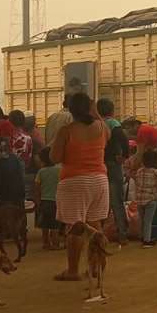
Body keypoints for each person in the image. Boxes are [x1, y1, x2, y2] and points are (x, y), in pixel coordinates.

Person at [50, 92, 110, 281]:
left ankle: (73, 270)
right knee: (95, 225)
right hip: (99, 180)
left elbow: (54, 158)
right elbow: (108, 135)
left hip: (74, 180)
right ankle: (96, 268)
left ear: (70, 109)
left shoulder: (67, 130)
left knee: (75, 227)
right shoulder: (101, 127)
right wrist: (96, 112)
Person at [97, 98, 130, 246]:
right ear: (111, 110)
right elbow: (123, 139)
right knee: (117, 200)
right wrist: (124, 156)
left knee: (100, 201)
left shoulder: (96, 124)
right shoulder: (113, 124)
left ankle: (99, 234)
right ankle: (122, 234)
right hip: (113, 164)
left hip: (98, 165)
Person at [134, 150, 157, 248]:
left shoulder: (139, 171)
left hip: (139, 199)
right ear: (155, 161)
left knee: (142, 219)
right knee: (148, 221)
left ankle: (142, 237)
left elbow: (137, 182)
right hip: (151, 200)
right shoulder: (156, 172)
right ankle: (147, 241)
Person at [35, 147, 62, 250]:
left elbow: (37, 187)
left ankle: (46, 243)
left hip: (44, 201)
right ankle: (56, 244)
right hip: (56, 201)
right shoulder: (59, 170)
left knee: (45, 225)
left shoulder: (41, 172)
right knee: (55, 225)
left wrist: (38, 202)